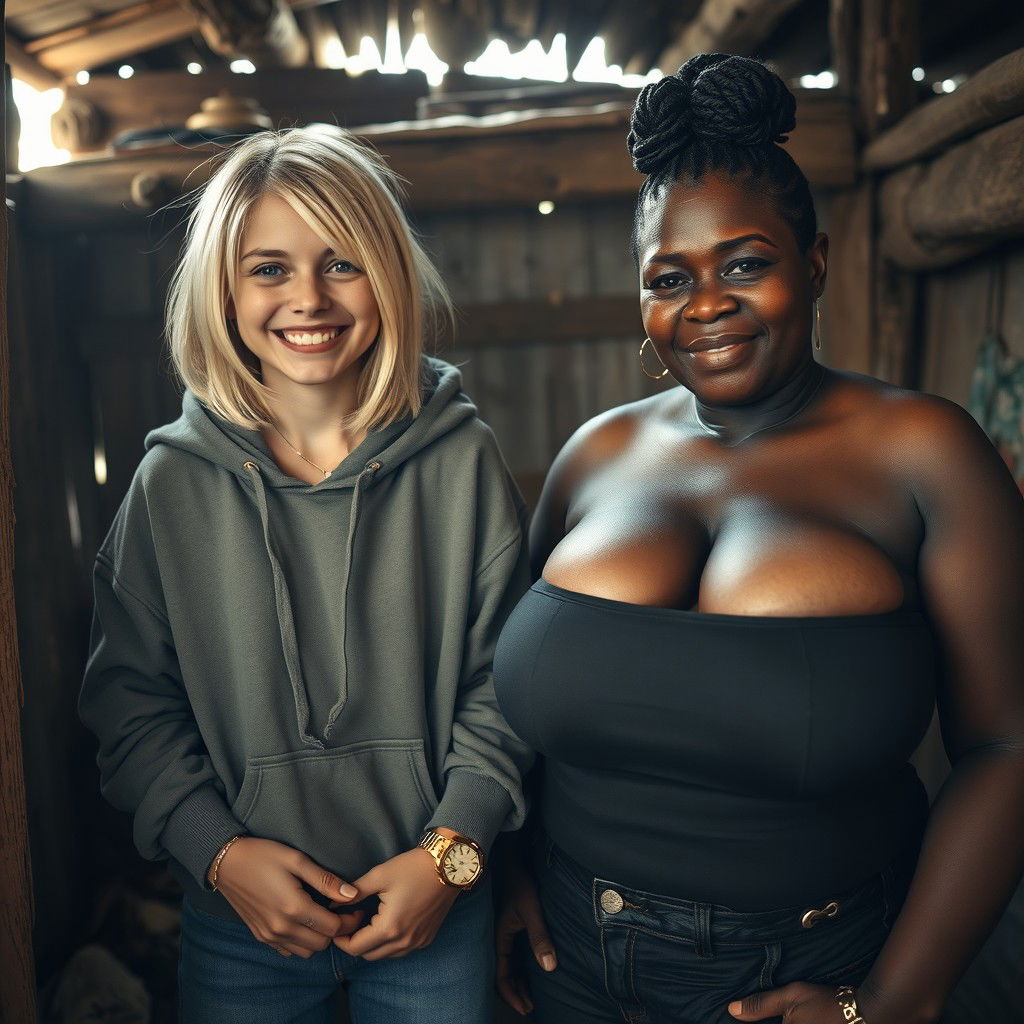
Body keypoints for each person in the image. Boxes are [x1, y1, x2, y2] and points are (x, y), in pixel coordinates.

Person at [493, 54, 1024, 1024]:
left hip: (810, 970)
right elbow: (510, 715)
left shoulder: (925, 452)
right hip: (567, 953)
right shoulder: (594, 452)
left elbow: (1005, 745)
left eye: (743, 262)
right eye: (670, 277)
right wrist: (504, 871)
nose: (705, 303)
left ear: (812, 262)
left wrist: (893, 1000)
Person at [79, 124, 533, 1024]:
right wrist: (218, 855)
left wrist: (451, 854)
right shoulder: (170, 484)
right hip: (240, 929)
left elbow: (509, 685)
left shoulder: (461, 461)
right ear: (223, 288)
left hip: (432, 919)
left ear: (388, 276)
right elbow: (130, 706)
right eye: (269, 268)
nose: (308, 298)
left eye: (342, 263)